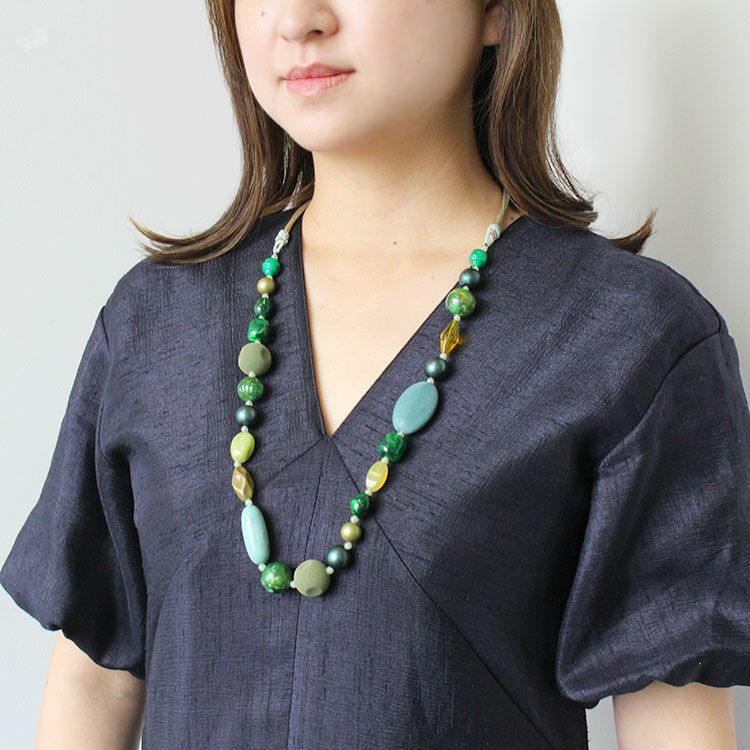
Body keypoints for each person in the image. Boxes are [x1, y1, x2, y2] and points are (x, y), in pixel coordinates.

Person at [1, 1, 748, 748]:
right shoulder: (155, 325)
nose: (296, 19)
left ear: (495, 11)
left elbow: (672, 724)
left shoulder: (629, 339)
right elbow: (92, 682)